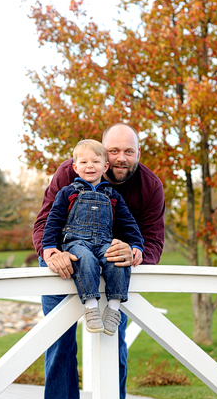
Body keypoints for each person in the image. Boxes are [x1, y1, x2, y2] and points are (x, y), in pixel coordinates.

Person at [32, 123, 165, 399]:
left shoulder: (149, 186)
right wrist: (49, 253)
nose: (120, 158)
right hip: (65, 263)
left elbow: (153, 239)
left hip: (113, 270)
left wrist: (138, 253)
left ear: (138, 153)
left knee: (113, 340)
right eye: (114, 151)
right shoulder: (71, 171)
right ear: (103, 154)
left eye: (129, 151)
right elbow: (45, 221)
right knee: (59, 343)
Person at [41, 139, 144, 336]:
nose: (90, 166)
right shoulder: (67, 192)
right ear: (75, 167)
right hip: (76, 242)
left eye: (96, 162)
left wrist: (136, 245)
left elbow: (129, 223)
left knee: (118, 260)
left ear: (105, 166)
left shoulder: (113, 196)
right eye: (84, 162)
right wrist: (48, 246)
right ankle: (91, 307)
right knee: (85, 259)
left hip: (104, 242)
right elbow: (53, 221)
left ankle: (113, 309)